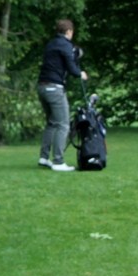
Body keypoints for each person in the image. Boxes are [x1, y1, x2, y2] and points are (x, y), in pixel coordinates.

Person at [37, 18, 88, 172]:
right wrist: (81, 73)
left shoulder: (51, 44)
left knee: (52, 123)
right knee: (63, 124)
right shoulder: (66, 45)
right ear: (69, 31)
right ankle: (58, 161)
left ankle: (44, 157)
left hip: (42, 87)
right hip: (55, 88)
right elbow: (71, 68)